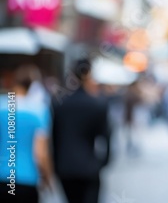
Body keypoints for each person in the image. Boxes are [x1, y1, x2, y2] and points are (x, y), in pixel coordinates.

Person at [51, 58, 111, 203]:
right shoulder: (97, 104)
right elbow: (107, 137)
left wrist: (56, 165)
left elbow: (54, 137)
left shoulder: (60, 104)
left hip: (65, 168)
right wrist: (103, 162)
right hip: (88, 167)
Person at [0, 65, 53, 203]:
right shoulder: (38, 110)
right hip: (27, 178)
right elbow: (40, 153)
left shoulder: (1, 106)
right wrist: (47, 178)